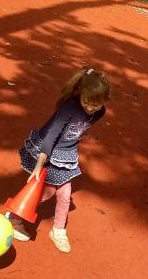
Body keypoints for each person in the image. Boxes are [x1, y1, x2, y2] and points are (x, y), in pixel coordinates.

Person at [7, 67, 110, 252]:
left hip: (66, 152)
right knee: (47, 192)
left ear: (104, 101)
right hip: (49, 149)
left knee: (64, 194)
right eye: (86, 102)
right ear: (81, 93)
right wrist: (40, 164)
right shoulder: (69, 107)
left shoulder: (100, 112)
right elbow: (52, 135)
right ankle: (14, 217)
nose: (90, 108)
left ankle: (58, 230)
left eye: (96, 105)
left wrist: (69, 149)